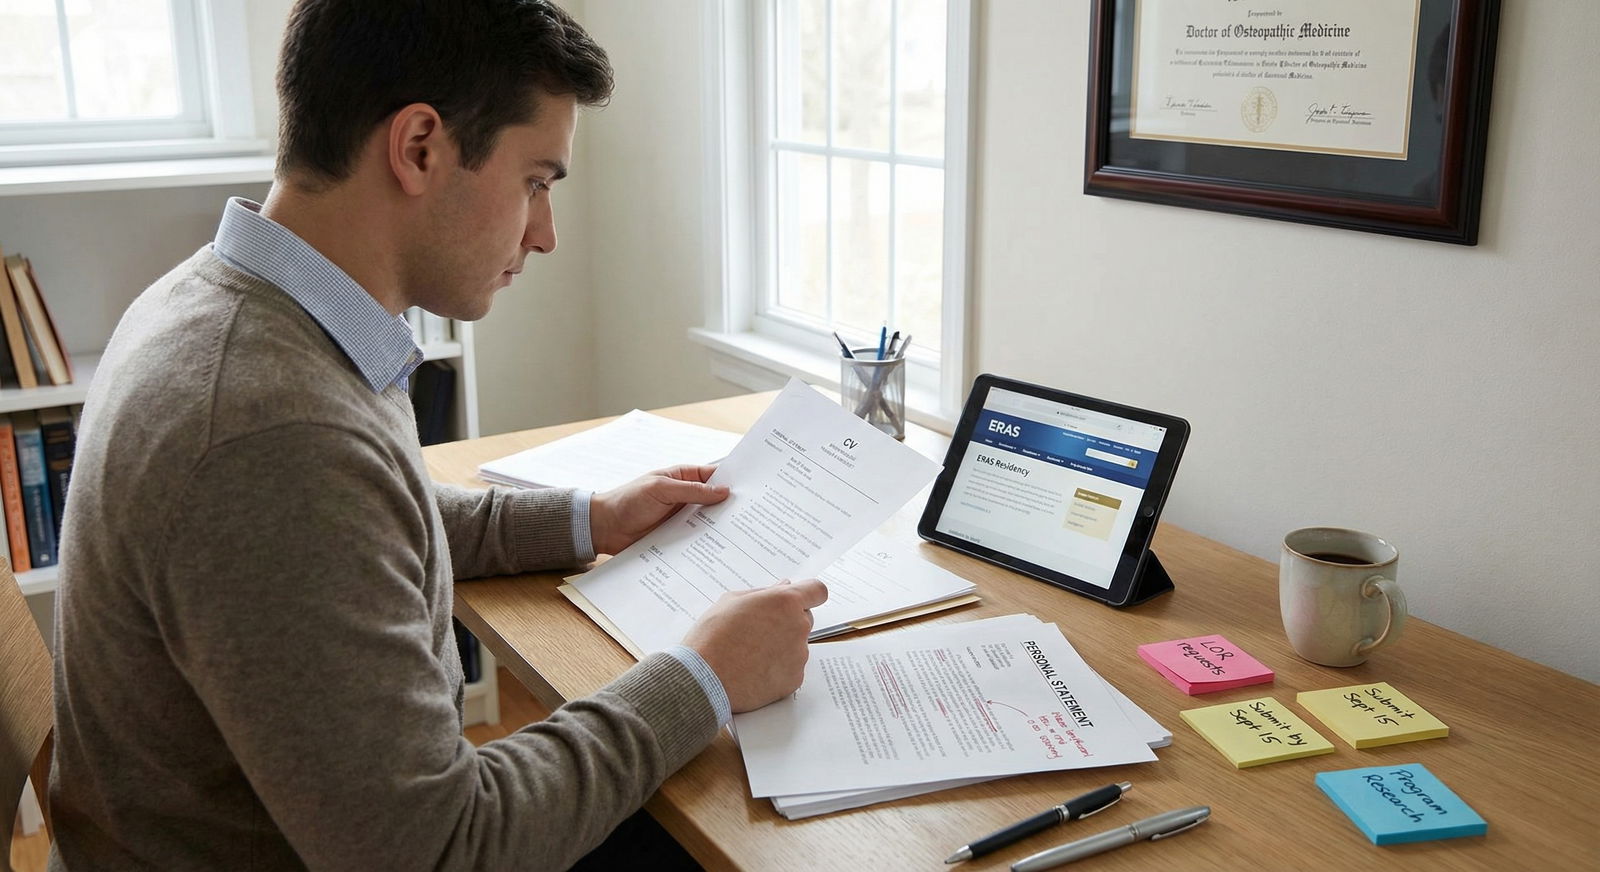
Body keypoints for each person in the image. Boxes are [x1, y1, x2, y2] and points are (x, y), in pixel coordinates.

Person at [47, 1, 827, 869]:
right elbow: (440, 850)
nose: (546, 233)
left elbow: (366, 526)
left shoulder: (234, 302)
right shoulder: (271, 435)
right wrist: (706, 674)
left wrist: (589, 520)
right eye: (536, 181)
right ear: (419, 146)